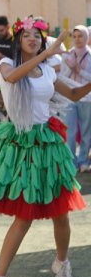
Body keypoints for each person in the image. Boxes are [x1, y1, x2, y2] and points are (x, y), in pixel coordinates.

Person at [0, 18, 91, 277]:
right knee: (24, 216)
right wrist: (48, 53)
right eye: (27, 35)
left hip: (47, 143)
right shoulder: (6, 64)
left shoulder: (47, 71)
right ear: (18, 40)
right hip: (21, 143)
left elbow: (74, 93)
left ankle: (62, 264)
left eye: (37, 36)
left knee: (61, 213)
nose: (33, 39)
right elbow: (12, 78)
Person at [56, 25, 91, 172]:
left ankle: (83, 160)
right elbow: (62, 77)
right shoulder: (67, 55)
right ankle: (71, 161)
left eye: (80, 36)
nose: (77, 39)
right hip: (69, 97)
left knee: (86, 130)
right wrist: (71, 69)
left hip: (87, 98)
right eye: (74, 36)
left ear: (86, 37)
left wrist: (79, 71)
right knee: (70, 130)